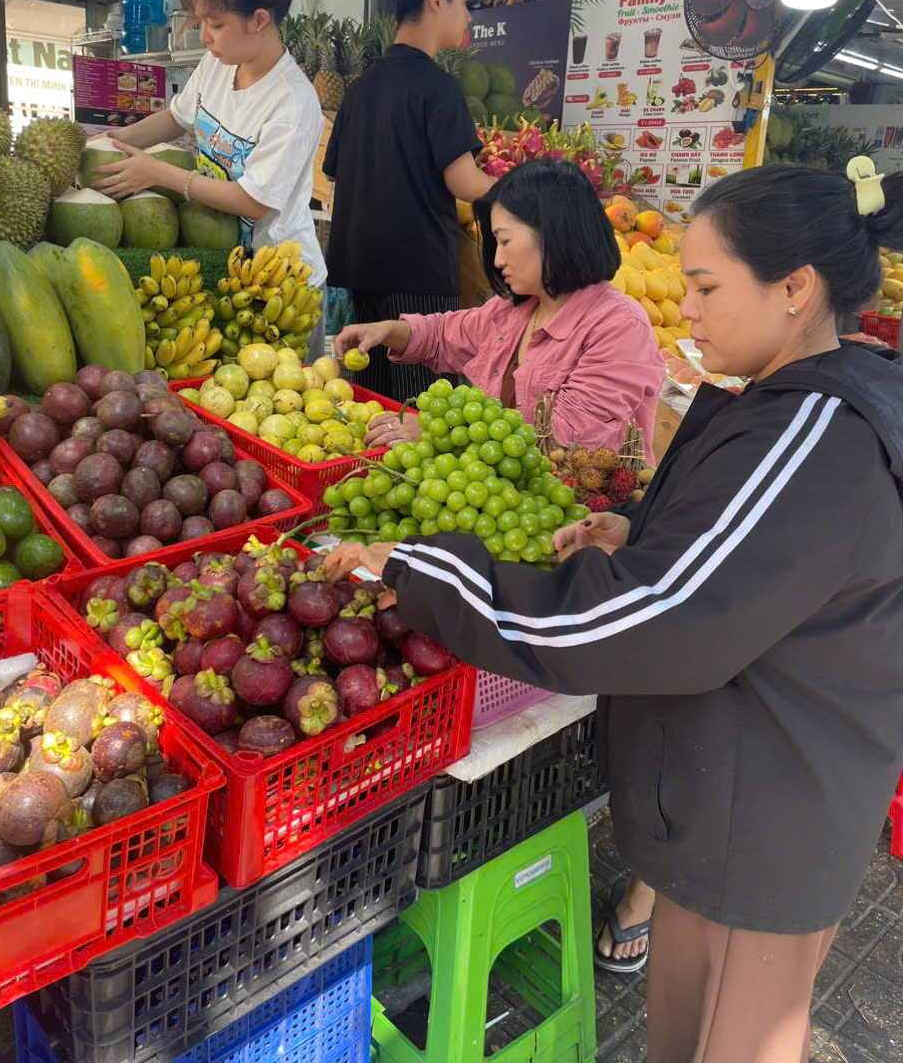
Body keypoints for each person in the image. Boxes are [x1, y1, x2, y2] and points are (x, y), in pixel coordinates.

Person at [322, 160, 903, 1063]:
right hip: (745, 806)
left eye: (706, 286)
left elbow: (657, 619)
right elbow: (736, 564)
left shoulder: (812, 435)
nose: (692, 309)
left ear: (795, 288)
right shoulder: (797, 401)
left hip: (760, 830)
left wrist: (436, 576)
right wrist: (633, 529)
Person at [91, 0, 327, 362]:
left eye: (215, 24)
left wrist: (161, 174)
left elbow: (252, 202)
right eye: (200, 21)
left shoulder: (291, 103)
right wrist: (113, 142)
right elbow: (177, 117)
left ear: (258, 19)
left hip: (284, 286)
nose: (205, 36)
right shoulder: (218, 66)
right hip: (228, 269)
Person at [335, 160, 664, 461]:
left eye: (504, 241)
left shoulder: (619, 327)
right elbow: (444, 334)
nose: (497, 260)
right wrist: (386, 331)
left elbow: (564, 441)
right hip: (504, 494)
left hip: (583, 514)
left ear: (554, 233)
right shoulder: (516, 309)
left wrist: (439, 434)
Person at [323, 0, 495, 400]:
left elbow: (335, 172)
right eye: (465, 3)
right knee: (421, 407)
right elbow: (464, 183)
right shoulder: (439, 89)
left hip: (359, 269)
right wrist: (525, 187)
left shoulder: (360, 89)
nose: (468, 18)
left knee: (370, 400)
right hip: (418, 273)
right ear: (437, 0)